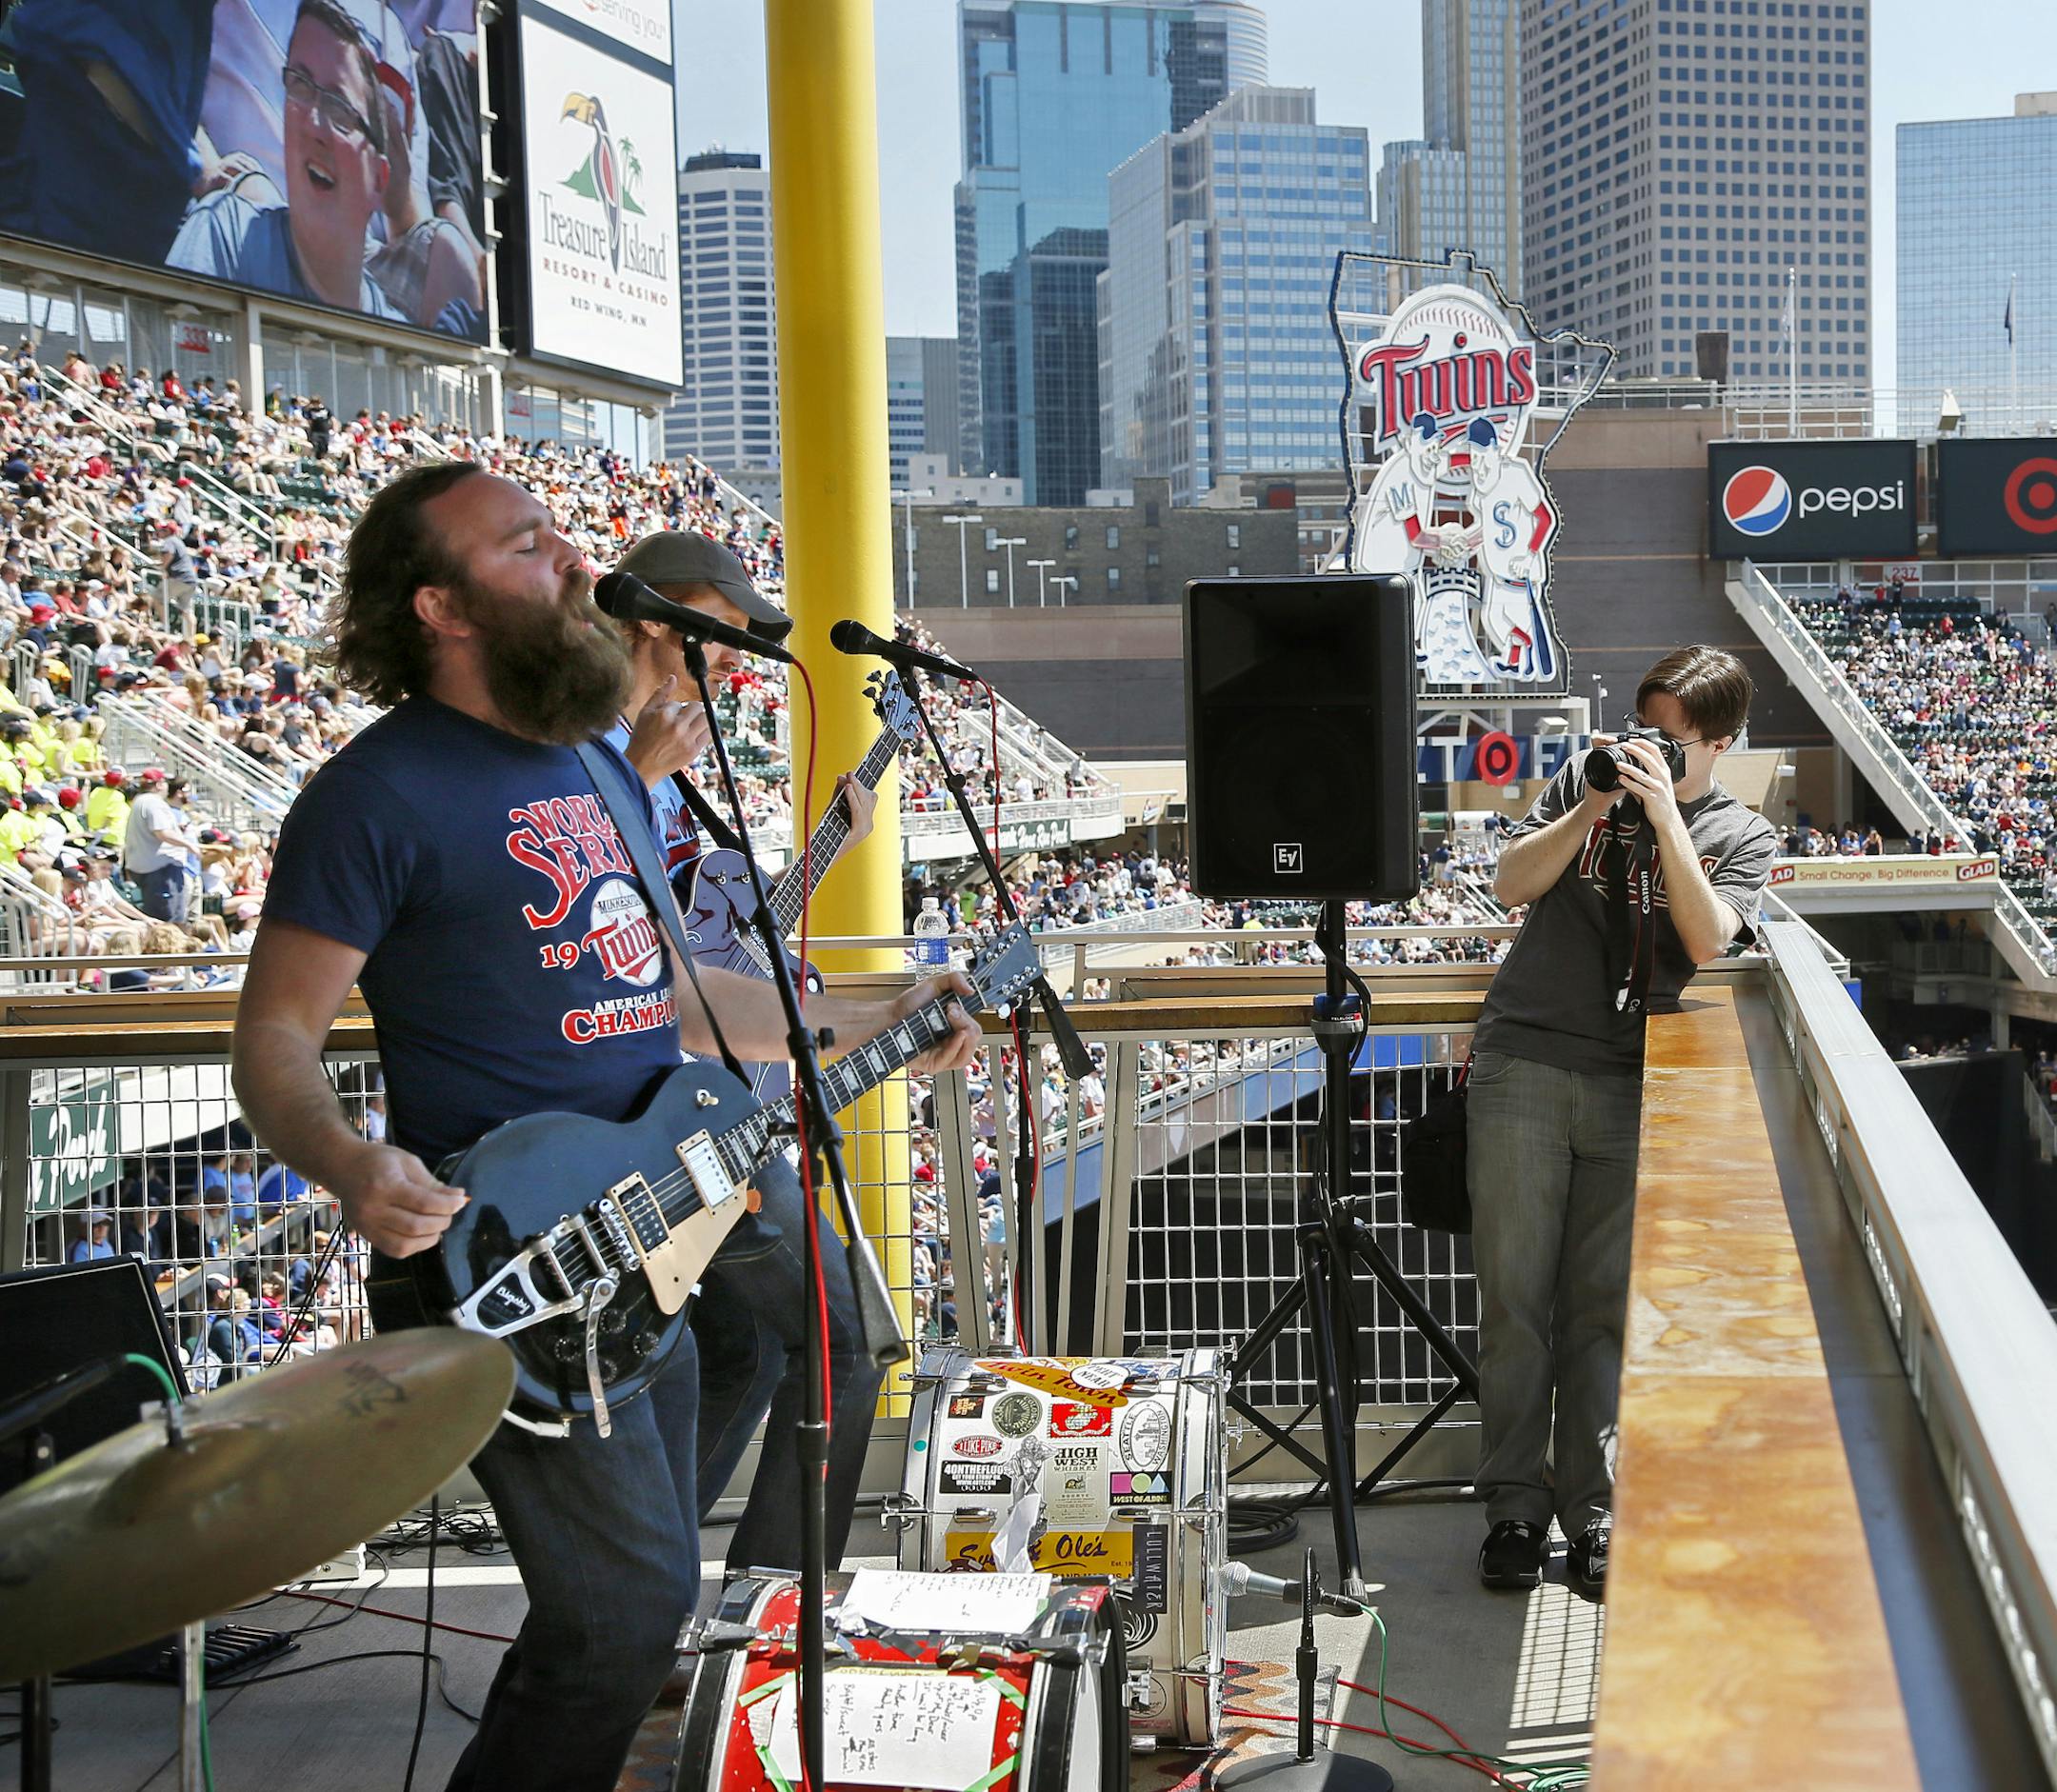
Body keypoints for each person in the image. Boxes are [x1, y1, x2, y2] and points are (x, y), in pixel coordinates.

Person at [228, 460, 980, 1792]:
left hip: (659, 1208)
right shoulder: (372, 797)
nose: (575, 560)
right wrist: (347, 1162)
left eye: (562, 533)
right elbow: (274, 1038)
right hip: (513, 1249)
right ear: (440, 608)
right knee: (619, 1615)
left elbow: (680, 996)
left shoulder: (593, 758)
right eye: (527, 546)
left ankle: (734, 1637)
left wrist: (871, 1016)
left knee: (639, 1581)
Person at [602, 527, 884, 1579]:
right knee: (835, 1340)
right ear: (650, 616)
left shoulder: (670, 768)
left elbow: (714, 944)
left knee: (753, 1348)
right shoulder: (601, 749)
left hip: (697, 1112)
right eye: (721, 628)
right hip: (657, 1116)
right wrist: (634, 773)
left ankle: (673, 1585)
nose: (733, 654)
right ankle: (750, 1601)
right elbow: (625, 952)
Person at [1468, 646, 1776, 1600]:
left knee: (1602, 1307)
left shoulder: (1743, 832)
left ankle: (1593, 1513)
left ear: (1718, 744)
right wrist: (1598, 803)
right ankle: (1515, 1510)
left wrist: (1669, 819)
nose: (1647, 751)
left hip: (1636, 1080)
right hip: (1525, 1060)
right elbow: (1510, 884)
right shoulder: (1585, 781)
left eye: (1669, 741)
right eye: (1641, 728)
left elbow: (1706, 936)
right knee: (1515, 1304)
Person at [167, 0, 409, 322]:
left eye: (339, 107)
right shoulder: (225, 237)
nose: (312, 122)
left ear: (379, 179)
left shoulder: (393, 334)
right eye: (300, 85)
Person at [123, 772, 203, 923]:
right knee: (168, 920)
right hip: (161, 871)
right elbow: (162, 833)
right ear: (159, 784)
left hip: (151, 868)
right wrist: (189, 845)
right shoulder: (153, 802)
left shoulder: (141, 801)